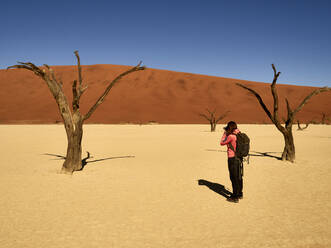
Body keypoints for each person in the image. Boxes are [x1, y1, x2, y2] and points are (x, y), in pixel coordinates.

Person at [220, 121, 243, 203]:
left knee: (233, 177)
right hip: (239, 158)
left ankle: (235, 196)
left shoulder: (231, 136)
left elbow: (222, 142)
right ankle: (240, 194)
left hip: (232, 158)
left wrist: (224, 134)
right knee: (239, 176)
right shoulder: (239, 133)